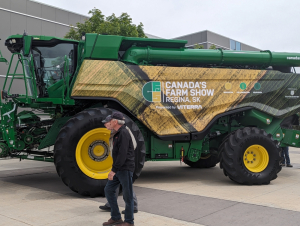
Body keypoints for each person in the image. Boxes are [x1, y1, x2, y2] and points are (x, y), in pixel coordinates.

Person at [102, 112, 135, 226]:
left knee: (128, 196)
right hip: (119, 168)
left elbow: (122, 154)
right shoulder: (117, 133)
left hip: (125, 168)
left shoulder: (123, 133)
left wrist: (113, 170)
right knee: (108, 190)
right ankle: (116, 217)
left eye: (110, 121)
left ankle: (129, 221)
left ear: (115, 121)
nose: (109, 123)